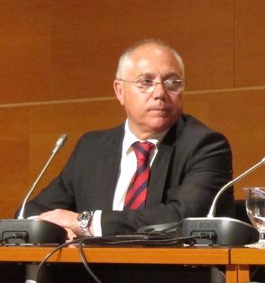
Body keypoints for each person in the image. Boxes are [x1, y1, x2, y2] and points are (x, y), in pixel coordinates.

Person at [24, 39, 233, 237]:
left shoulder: (205, 146)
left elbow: (184, 220)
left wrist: (85, 223)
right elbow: (31, 211)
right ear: (120, 91)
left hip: (170, 272)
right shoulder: (92, 148)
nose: (160, 92)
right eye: (146, 82)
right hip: (88, 270)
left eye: (172, 83)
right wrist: (50, 229)